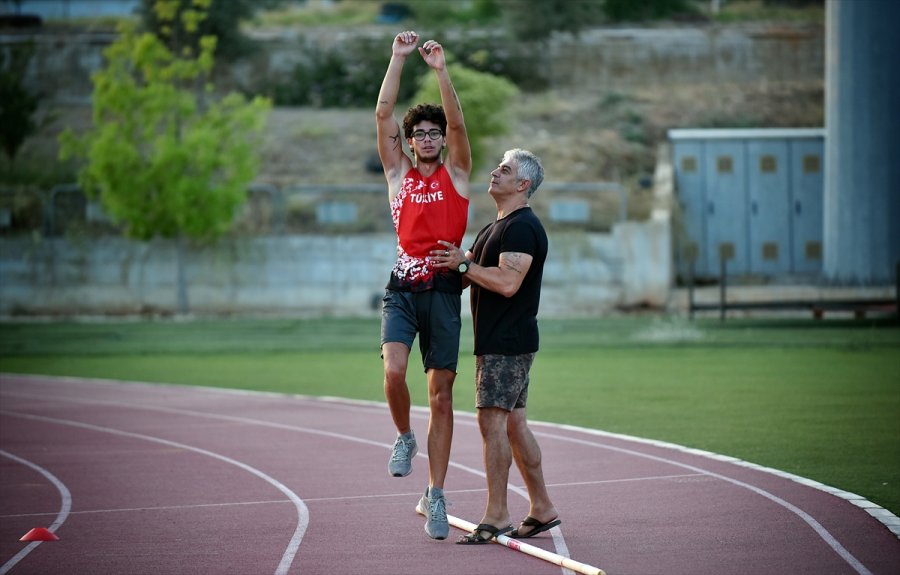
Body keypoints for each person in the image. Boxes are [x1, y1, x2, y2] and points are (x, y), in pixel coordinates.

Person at [431, 149, 561, 544]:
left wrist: (465, 267)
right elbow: (465, 272)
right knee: (515, 425)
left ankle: (497, 513)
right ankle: (541, 509)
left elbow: (506, 282)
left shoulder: (521, 228)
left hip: (507, 342)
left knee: (492, 422)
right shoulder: (494, 228)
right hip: (502, 341)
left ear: (523, 185)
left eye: (504, 170)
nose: (494, 172)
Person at [375, 30, 472, 541]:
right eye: (423, 133)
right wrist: (398, 57)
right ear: (411, 142)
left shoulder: (457, 174)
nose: (431, 137)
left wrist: (439, 69)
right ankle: (404, 438)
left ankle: (435, 494)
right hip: (401, 290)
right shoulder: (399, 176)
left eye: (436, 131)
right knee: (393, 373)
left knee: (440, 396)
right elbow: (383, 114)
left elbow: (458, 121)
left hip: (443, 293)